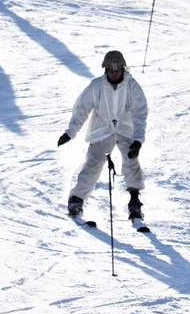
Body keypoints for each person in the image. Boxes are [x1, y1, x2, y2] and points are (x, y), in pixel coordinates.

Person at [56, 50, 148, 221]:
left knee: (131, 160)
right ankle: (76, 199)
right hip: (102, 129)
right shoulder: (97, 85)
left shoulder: (132, 86)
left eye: (117, 70)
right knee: (94, 161)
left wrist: (138, 141)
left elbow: (140, 114)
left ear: (122, 70)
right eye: (111, 71)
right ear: (105, 70)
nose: (114, 74)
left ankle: (134, 200)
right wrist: (70, 132)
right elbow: (81, 108)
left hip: (126, 128)